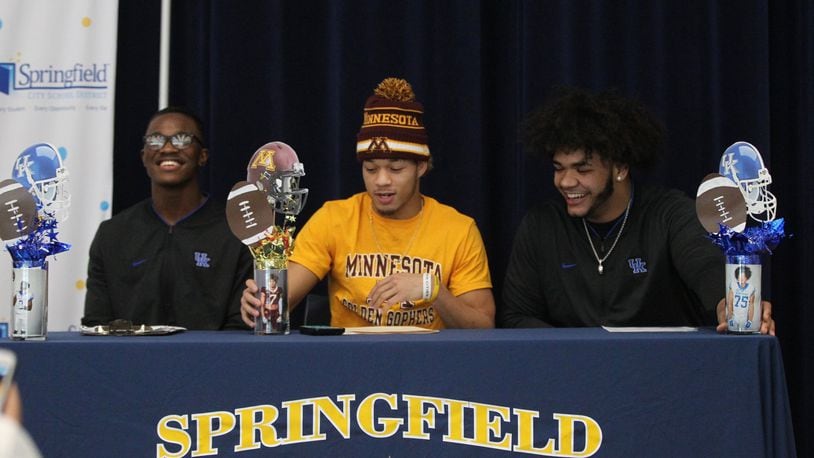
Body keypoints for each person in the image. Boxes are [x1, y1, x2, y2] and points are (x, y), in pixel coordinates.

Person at [501, 87, 775, 334]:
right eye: (559, 168)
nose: (565, 182)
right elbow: (517, 316)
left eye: (582, 169)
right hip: (570, 379)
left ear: (620, 168)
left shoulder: (669, 213)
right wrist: (576, 355)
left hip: (664, 376)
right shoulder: (541, 225)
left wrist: (727, 305)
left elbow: (704, 265)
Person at [241, 78, 495, 329]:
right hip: (350, 361)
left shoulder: (458, 229)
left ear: (421, 167)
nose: (381, 181)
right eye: (371, 169)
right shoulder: (335, 219)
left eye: (396, 169)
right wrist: (263, 304)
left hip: (427, 362)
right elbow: (280, 302)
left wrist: (433, 290)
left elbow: (484, 326)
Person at [82, 107, 253, 329]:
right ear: (144, 156)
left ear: (202, 156)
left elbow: (241, 327)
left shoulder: (236, 231)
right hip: (129, 362)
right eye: (155, 140)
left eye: (182, 139)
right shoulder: (112, 234)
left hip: (211, 361)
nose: (168, 148)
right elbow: (96, 324)